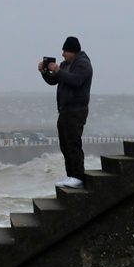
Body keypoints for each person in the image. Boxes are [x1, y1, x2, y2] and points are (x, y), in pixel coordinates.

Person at [38, 36, 93, 189]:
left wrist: (58, 70)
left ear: (72, 51)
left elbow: (77, 80)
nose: (62, 54)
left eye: (65, 51)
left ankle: (78, 177)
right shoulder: (65, 64)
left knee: (73, 144)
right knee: (65, 145)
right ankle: (70, 175)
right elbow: (54, 80)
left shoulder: (83, 64)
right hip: (64, 110)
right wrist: (45, 73)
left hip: (77, 110)